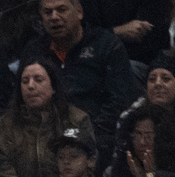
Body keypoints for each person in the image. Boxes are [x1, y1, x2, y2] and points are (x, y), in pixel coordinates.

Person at [20, 0, 134, 166]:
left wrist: (85, 137)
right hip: (43, 139)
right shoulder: (34, 51)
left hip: (95, 139)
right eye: (48, 12)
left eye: (61, 9)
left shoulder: (106, 45)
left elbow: (119, 102)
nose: (54, 17)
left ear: (79, 11)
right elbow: (18, 101)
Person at [0, 56, 94, 177]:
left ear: (53, 87)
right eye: (25, 81)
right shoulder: (6, 124)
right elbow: (0, 165)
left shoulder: (77, 119)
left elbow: (88, 163)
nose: (30, 86)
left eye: (38, 80)